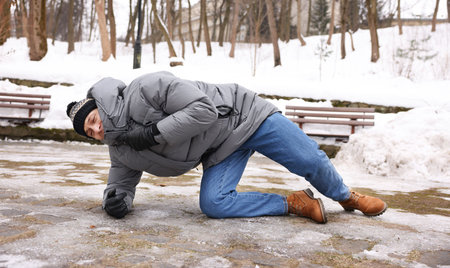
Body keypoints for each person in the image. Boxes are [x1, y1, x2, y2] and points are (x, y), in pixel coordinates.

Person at [66, 71, 387, 223]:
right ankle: (294, 203)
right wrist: (115, 200)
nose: (96, 129)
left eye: (94, 118)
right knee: (214, 204)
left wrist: (152, 133)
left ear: (101, 106)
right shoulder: (120, 148)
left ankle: (347, 196)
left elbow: (203, 111)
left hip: (243, 115)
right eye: (90, 132)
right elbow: (120, 182)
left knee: (308, 159)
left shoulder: (146, 89)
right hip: (220, 150)